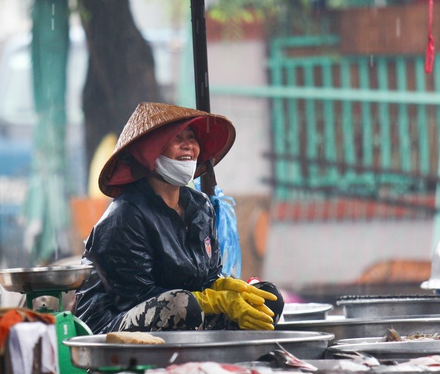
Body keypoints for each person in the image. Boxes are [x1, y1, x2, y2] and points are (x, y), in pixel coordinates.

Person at [73, 102, 283, 334]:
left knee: (268, 299)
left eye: (191, 137)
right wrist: (212, 301)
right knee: (182, 305)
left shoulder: (201, 206)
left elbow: (208, 278)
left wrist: (226, 287)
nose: (189, 146)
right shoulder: (124, 216)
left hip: (185, 318)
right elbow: (135, 299)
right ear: (149, 151)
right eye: (176, 138)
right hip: (112, 330)